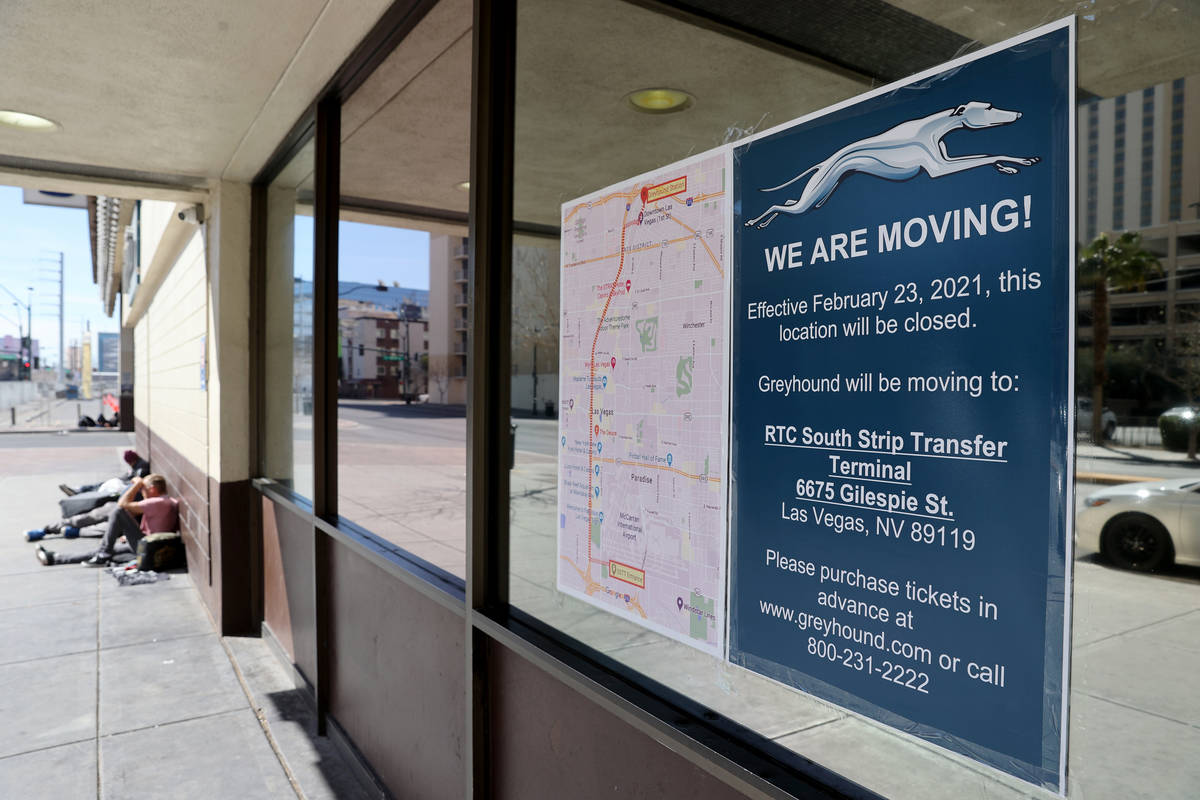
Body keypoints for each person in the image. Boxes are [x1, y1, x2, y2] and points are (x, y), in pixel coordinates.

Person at [36, 474, 178, 567]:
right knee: (109, 550)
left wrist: (135, 484)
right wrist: (127, 534)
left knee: (118, 511)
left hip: (149, 546)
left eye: (143, 489)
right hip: (147, 544)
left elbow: (121, 504)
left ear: (152, 489)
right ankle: (55, 558)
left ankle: (103, 554)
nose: (142, 492)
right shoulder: (166, 501)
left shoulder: (157, 502)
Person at [59, 450, 150, 496]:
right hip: (120, 481)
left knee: (101, 488)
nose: (129, 464)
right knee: (99, 484)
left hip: (122, 485)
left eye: (129, 462)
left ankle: (79, 492)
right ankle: (79, 489)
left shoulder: (141, 467)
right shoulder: (137, 465)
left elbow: (137, 480)